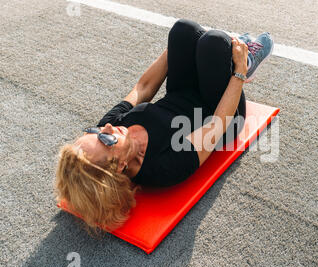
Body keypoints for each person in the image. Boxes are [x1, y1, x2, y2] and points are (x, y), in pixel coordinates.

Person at [55, 19, 274, 232]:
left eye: (94, 131)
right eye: (106, 139)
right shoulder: (164, 167)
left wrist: (178, 47)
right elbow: (218, 124)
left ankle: (224, 49)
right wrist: (238, 70)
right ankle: (247, 58)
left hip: (182, 92)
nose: (107, 129)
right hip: (221, 114)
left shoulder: (108, 127)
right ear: (120, 165)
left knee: (182, 30)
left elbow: (143, 88)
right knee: (214, 43)